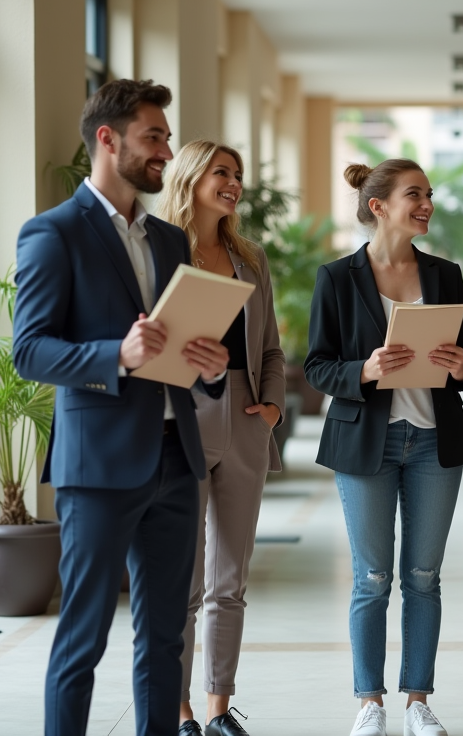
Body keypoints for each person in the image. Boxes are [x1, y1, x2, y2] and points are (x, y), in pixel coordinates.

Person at [13, 79, 231, 736]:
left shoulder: (168, 240)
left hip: (176, 459)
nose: (166, 150)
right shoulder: (53, 233)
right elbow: (29, 351)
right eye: (153, 136)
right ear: (108, 140)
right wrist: (118, 354)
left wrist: (210, 367)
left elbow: (178, 346)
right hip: (99, 468)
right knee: (82, 639)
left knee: (166, 639)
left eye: (166, 136)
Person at [304, 159, 463, 736]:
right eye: (415, 195)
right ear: (379, 206)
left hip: (433, 443)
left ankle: (417, 702)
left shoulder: (446, 274)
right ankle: (370, 703)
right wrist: (366, 368)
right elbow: (317, 366)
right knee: (372, 577)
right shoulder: (337, 278)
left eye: (429, 194)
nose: (427, 204)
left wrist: (461, 365)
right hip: (366, 445)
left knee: (424, 576)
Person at [158, 141, 286, 736]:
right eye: (222, 173)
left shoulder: (250, 258)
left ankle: (217, 708)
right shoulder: (159, 251)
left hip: (246, 414)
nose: (234, 183)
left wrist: (272, 409)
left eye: (237, 174)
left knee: (230, 577)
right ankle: (179, 710)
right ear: (191, 178)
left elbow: (271, 348)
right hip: (180, 413)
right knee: (182, 579)